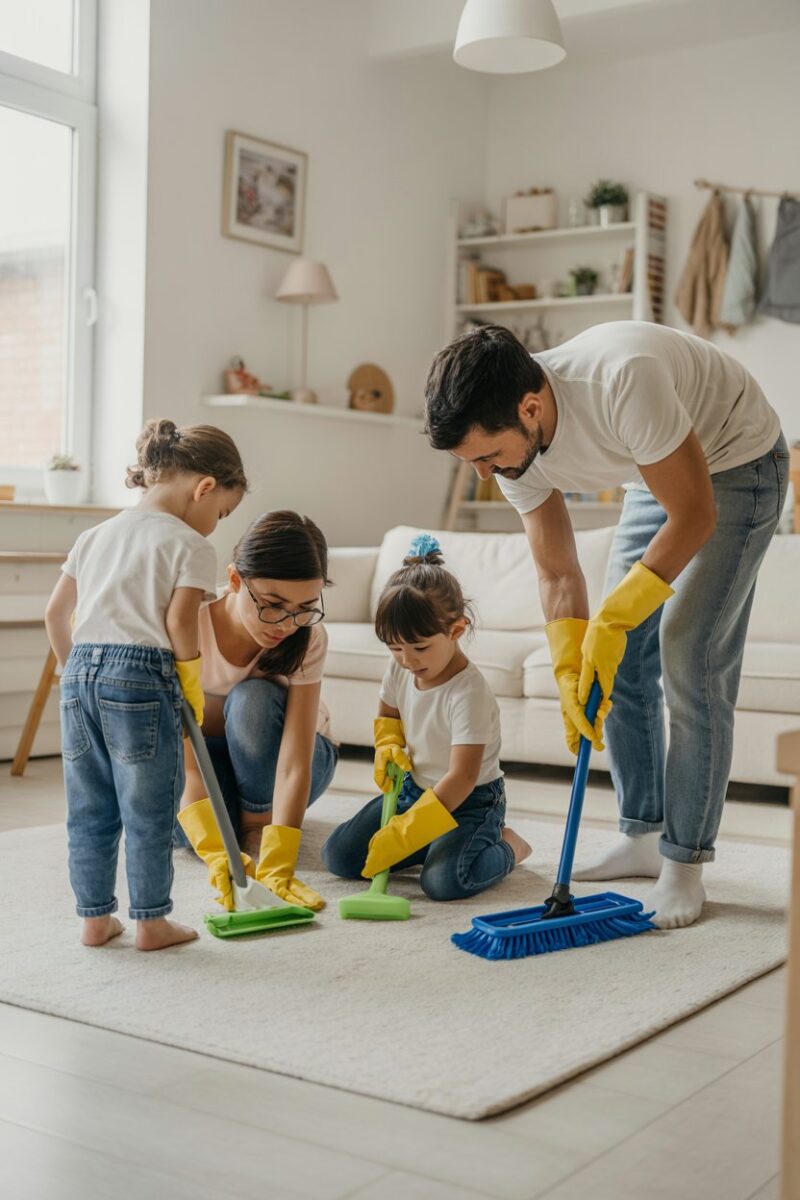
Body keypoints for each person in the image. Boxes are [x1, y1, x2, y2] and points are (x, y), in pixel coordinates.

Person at [424, 321, 788, 929]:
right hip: (653, 470)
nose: (484, 474)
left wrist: (613, 620)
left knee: (689, 653)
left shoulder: (622, 378)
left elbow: (695, 513)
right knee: (615, 664)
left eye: (486, 456)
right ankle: (643, 833)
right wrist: (571, 657)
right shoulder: (515, 453)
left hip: (740, 459)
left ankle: (685, 861)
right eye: (472, 463)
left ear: (531, 408)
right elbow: (558, 572)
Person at [44, 419, 247, 949]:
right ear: (204, 488)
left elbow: (55, 613)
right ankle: (151, 922)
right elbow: (181, 623)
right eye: (221, 513)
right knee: (149, 805)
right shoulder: (189, 545)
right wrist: (191, 682)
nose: (214, 526)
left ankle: (93, 919)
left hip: (79, 674)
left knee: (89, 807)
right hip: (142, 676)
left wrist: (74, 673)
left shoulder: (94, 535)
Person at [322, 535, 531, 900]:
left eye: (419, 647)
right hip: (412, 791)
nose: (408, 660)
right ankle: (429, 844)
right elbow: (389, 711)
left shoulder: (468, 694)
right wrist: (388, 743)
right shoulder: (401, 666)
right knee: (339, 856)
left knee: (444, 883)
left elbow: (463, 777)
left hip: (470, 802)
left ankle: (510, 845)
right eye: (395, 647)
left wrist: (406, 833)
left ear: (456, 630)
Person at [176, 511, 337, 912]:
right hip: (213, 754)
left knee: (251, 701)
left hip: (294, 758)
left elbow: (296, 758)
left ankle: (258, 823)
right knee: (183, 833)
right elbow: (187, 754)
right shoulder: (187, 622)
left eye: (304, 607)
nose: (287, 623)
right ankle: (239, 824)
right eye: (273, 604)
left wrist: (281, 853)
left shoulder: (308, 635)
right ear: (234, 580)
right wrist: (214, 848)